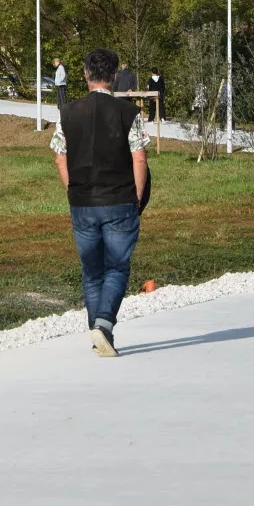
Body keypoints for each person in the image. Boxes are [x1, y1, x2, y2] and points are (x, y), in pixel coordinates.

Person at [50, 48, 150, 358]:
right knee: (117, 267)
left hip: (82, 201)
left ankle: (98, 336)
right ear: (115, 76)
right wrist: (135, 194)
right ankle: (104, 326)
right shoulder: (129, 113)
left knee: (91, 271)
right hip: (119, 198)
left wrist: (73, 188)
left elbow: (59, 155)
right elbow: (139, 156)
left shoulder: (68, 113)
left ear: (84, 75)